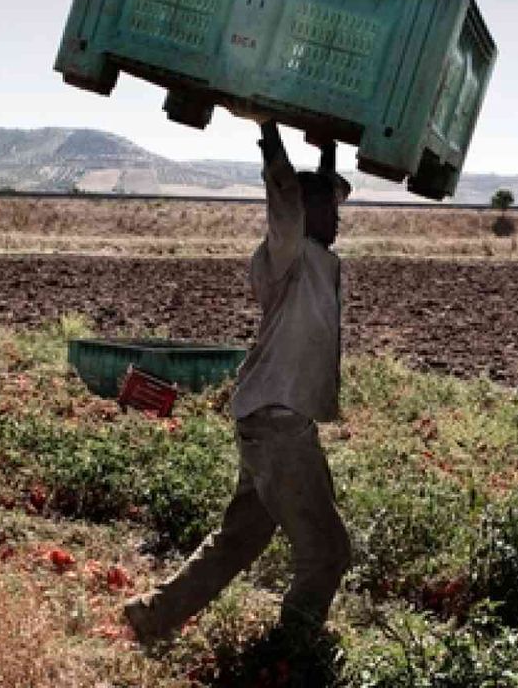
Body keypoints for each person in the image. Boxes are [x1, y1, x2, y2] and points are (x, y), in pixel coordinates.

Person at [123, 120, 353, 645]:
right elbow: (285, 198)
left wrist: (331, 154)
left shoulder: (315, 258)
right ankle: (290, 648)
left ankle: (153, 614)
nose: (339, 218)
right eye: (331, 207)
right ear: (304, 210)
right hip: (278, 426)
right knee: (328, 551)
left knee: (240, 539)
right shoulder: (287, 254)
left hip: (270, 420)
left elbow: (306, 200)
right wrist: (270, 133)